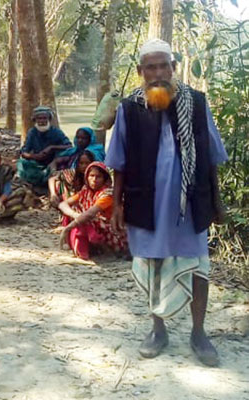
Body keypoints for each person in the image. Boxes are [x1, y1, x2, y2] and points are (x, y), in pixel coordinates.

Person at [105, 39, 228, 366]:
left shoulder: (197, 104)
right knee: (152, 265)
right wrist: (116, 205)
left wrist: (217, 202)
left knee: (198, 266)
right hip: (146, 202)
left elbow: (212, 158)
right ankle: (158, 330)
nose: (158, 73)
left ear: (174, 68)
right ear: (140, 71)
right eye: (151, 67)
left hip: (191, 204)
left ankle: (198, 333)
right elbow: (118, 163)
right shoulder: (128, 108)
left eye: (164, 66)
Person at [58, 162, 127, 260]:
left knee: (87, 219)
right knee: (76, 211)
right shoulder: (86, 191)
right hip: (95, 227)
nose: (94, 180)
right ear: (87, 177)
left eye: (98, 177)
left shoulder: (107, 194)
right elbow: (63, 204)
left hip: (112, 232)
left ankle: (101, 249)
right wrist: (75, 215)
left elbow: (90, 213)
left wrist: (68, 227)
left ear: (104, 179)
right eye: (92, 176)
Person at [17, 106, 71, 189]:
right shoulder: (32, 132)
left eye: (44, 118)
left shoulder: (56, 132)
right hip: (37, 164)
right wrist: (35, 156)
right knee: (22, 164)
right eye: (39, 118)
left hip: (54, 163)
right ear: (35, 120)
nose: (42, 121)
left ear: (49, 119)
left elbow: (69, 146)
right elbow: (24, 151)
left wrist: (52, 147)